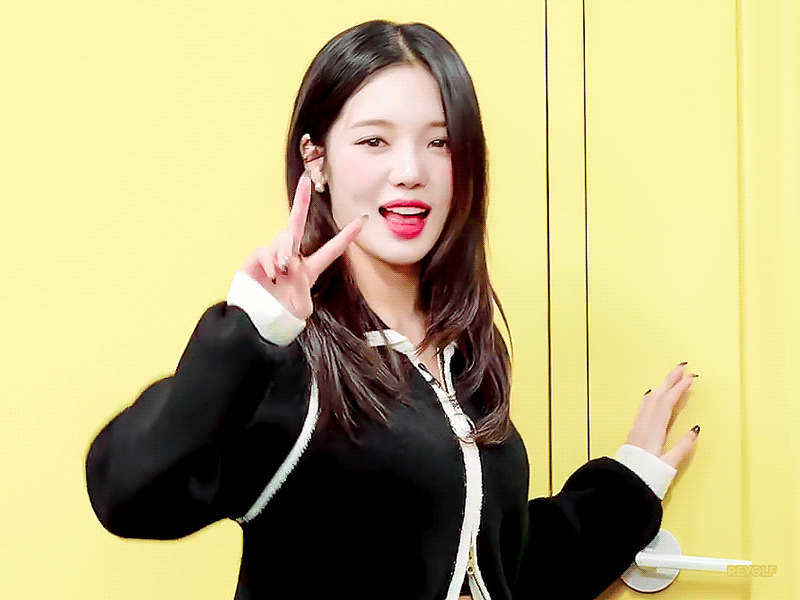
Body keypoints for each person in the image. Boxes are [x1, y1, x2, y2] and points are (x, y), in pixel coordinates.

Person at [85, 19, 700, 600]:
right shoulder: (287, 364)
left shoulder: (465, 359)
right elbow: (127, 492)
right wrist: (251, 329)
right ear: (316, 160)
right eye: (374, 141)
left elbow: (500, 569)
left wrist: (629, 485)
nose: (410, 171)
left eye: (439, 142)